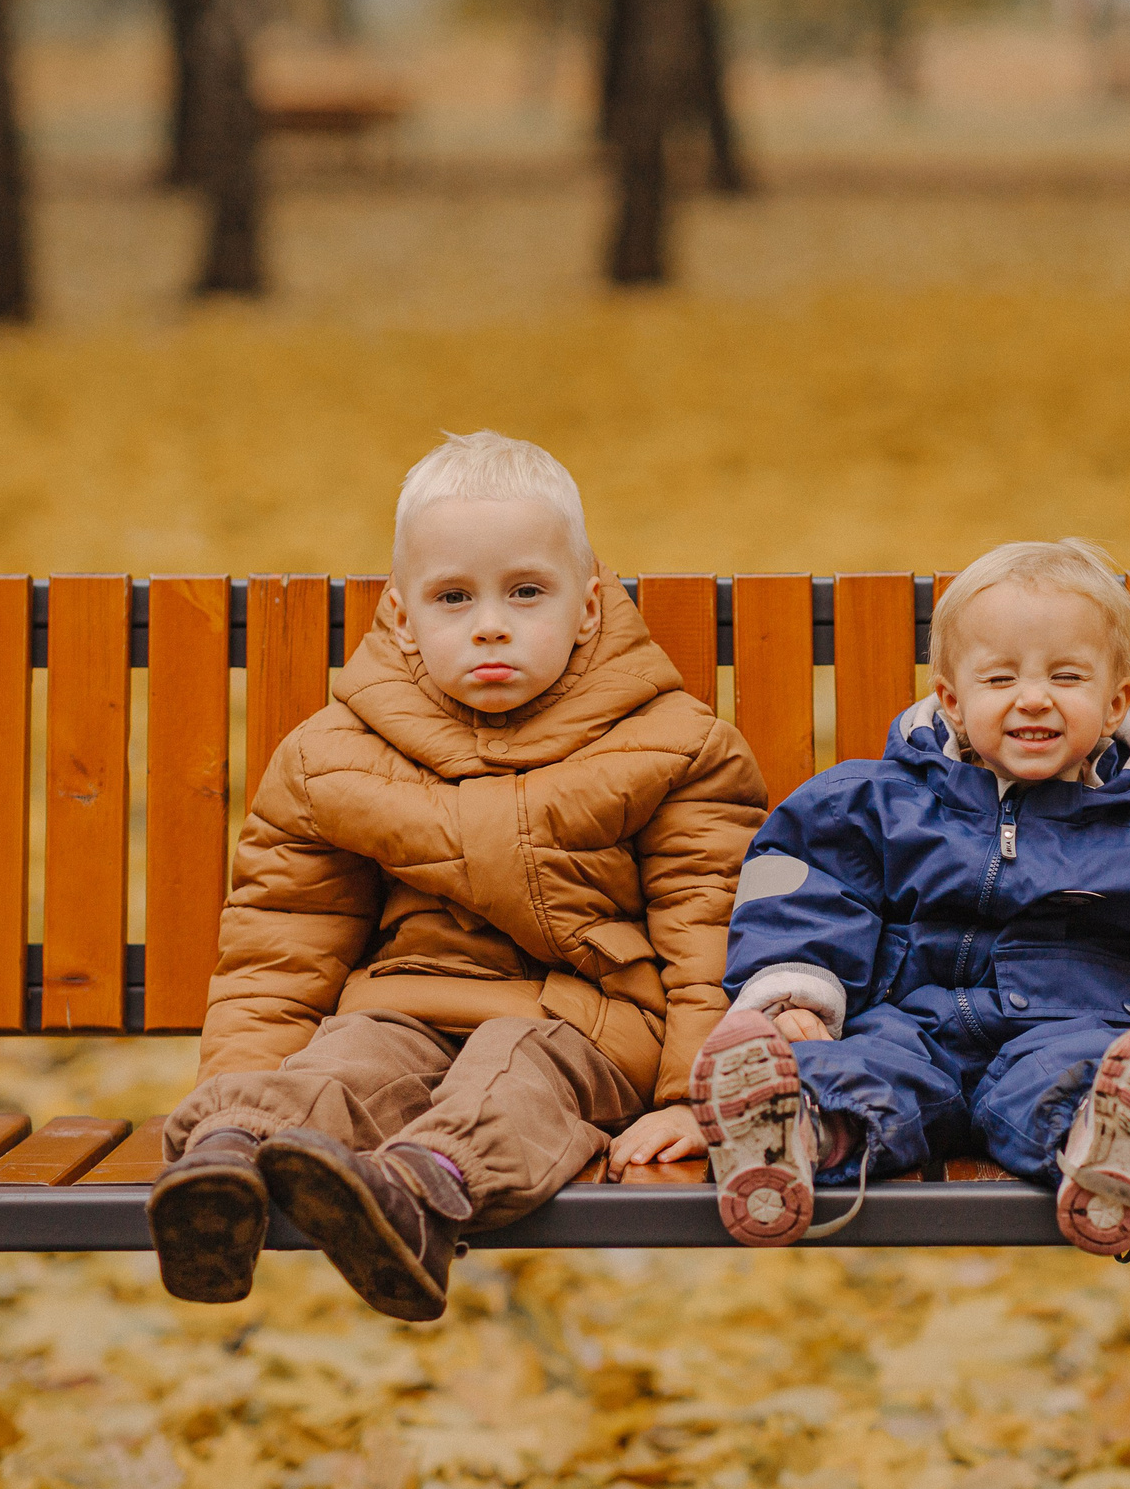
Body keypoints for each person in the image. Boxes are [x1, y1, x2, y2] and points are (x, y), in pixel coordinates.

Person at [146, 432, 765, 1320]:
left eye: (525, 592)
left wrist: (692, 1100)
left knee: (516, 1066)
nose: (490, 622)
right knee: (349, 1059)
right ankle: (226, 1164)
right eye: (453, 597)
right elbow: (280, 945)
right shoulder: (332, 755)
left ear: (588, 608)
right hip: (404, 1004)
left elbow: (709, 932)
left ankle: (419, 1194)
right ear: (402, 617)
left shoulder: (676, 745)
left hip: (581, 1022)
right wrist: (229, 1083)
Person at [679, 538, 1130, 1257]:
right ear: (950, 699)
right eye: (1000, 678)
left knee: (1093, 1078)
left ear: (1114, 704)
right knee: (860, 1073)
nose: (1032, 698)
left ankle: (1116, 1149)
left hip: (1069, 1033)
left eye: (1066, 677)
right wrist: (794, 997)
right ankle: (792, 1133)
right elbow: (805, 886)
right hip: (910, 1027)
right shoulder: (874, 803)